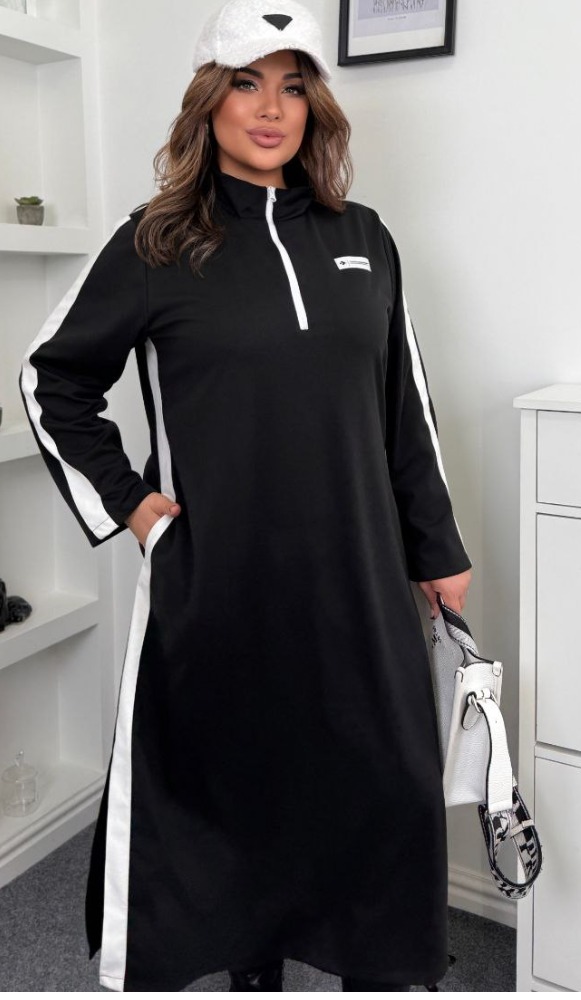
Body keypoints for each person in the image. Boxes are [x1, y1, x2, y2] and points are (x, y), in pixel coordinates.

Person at [18, 0, 472, 992]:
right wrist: (133, 506)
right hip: (223, 585)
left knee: (383, 795)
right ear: (207, 102)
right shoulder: (155, 243)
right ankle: (252, 974)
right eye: (247, 83)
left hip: (362, 581)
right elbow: (51, 378)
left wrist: (437, 549)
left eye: (293, 86)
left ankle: (378, 973)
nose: (272, 108)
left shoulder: (365, 237)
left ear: (315, 107)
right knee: (239, 804)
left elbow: (408, 407)